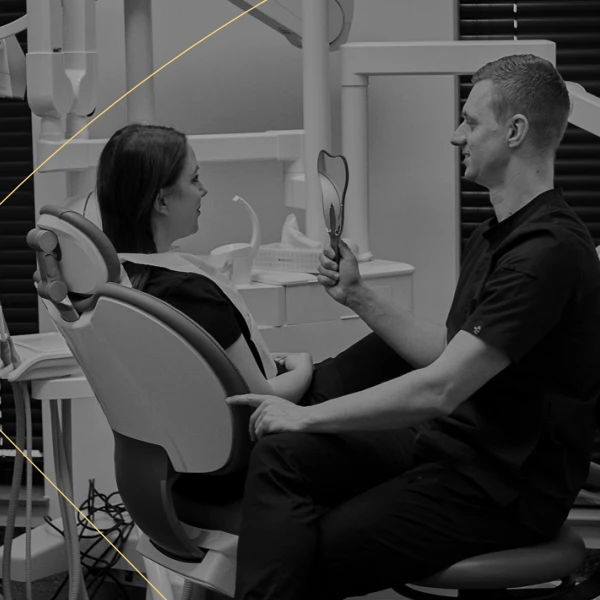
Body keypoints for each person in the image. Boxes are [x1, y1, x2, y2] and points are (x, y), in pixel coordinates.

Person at [224, 54, 600, 600]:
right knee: (282, 458)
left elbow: (440, 388)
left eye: (470, 122)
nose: (456, 135)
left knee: (304, 547)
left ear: (515, 131)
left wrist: (305, 415)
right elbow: (449, 352)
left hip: (505, 489)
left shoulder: (547, 252)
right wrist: (357, 295)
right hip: (454, 447)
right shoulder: (495, 235)